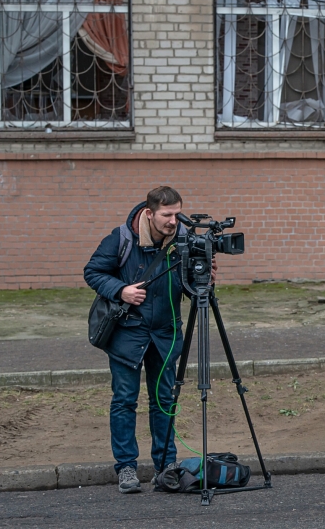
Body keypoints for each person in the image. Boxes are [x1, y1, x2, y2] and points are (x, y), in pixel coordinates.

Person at [84, 186, 191, 494]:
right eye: (167, 215)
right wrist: (121, 290)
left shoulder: (183, 240)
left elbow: (188, 284)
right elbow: (92, 272)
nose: (174, 221)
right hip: (127, 334)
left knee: (164, 401)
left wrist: (203, 280)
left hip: (165, 335)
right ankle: (127, 467)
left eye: (176, 214)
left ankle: (166, 466)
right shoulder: (121, 239)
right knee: (124, 402)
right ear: (149, 213)